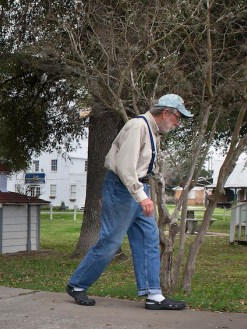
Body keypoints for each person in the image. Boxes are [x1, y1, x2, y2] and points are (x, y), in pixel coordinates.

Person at [66, 94, 193, 310]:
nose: (178, 123)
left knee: (148, 238)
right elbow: (125, 167)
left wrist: (143, 193)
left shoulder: (152, 131)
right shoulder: (138, 127)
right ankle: (77, 284)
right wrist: (142, 197)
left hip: (136, 188)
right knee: (111, 242)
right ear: (165, 113)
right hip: (122, 188)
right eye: (177, 117)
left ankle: (153, 295)